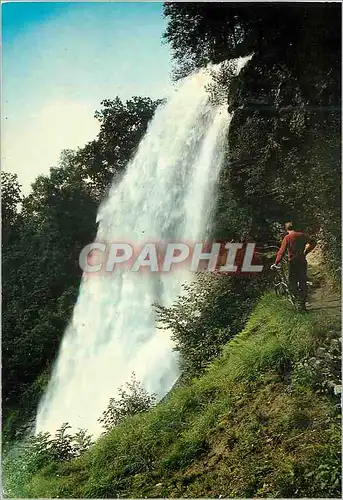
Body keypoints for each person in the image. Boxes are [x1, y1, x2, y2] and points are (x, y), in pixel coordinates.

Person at [271, 222, 316, 309]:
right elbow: (313, 242)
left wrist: (275, 263)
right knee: (303, 281)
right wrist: (306, 252)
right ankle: (303, 302)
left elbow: (281, 252)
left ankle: (299, 299)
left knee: (292, 283)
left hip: (293, 262)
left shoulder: (287, 238)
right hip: (302, 261)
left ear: (286, 229)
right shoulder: (302, 235)